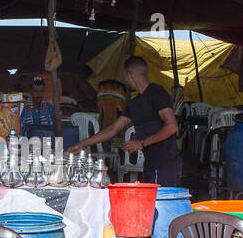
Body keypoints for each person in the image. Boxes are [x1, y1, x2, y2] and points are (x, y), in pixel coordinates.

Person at [71, 55, 181, 185]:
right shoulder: (135, 103)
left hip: (165, 164)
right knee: (151, 203)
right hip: (150, 163)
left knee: (160, 203)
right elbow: (113, 129)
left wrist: (142, 143)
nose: (125, 80)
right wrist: (83, 144)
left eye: (124, 76)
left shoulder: (156, 92)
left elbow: (172, 126)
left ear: (130, 73)